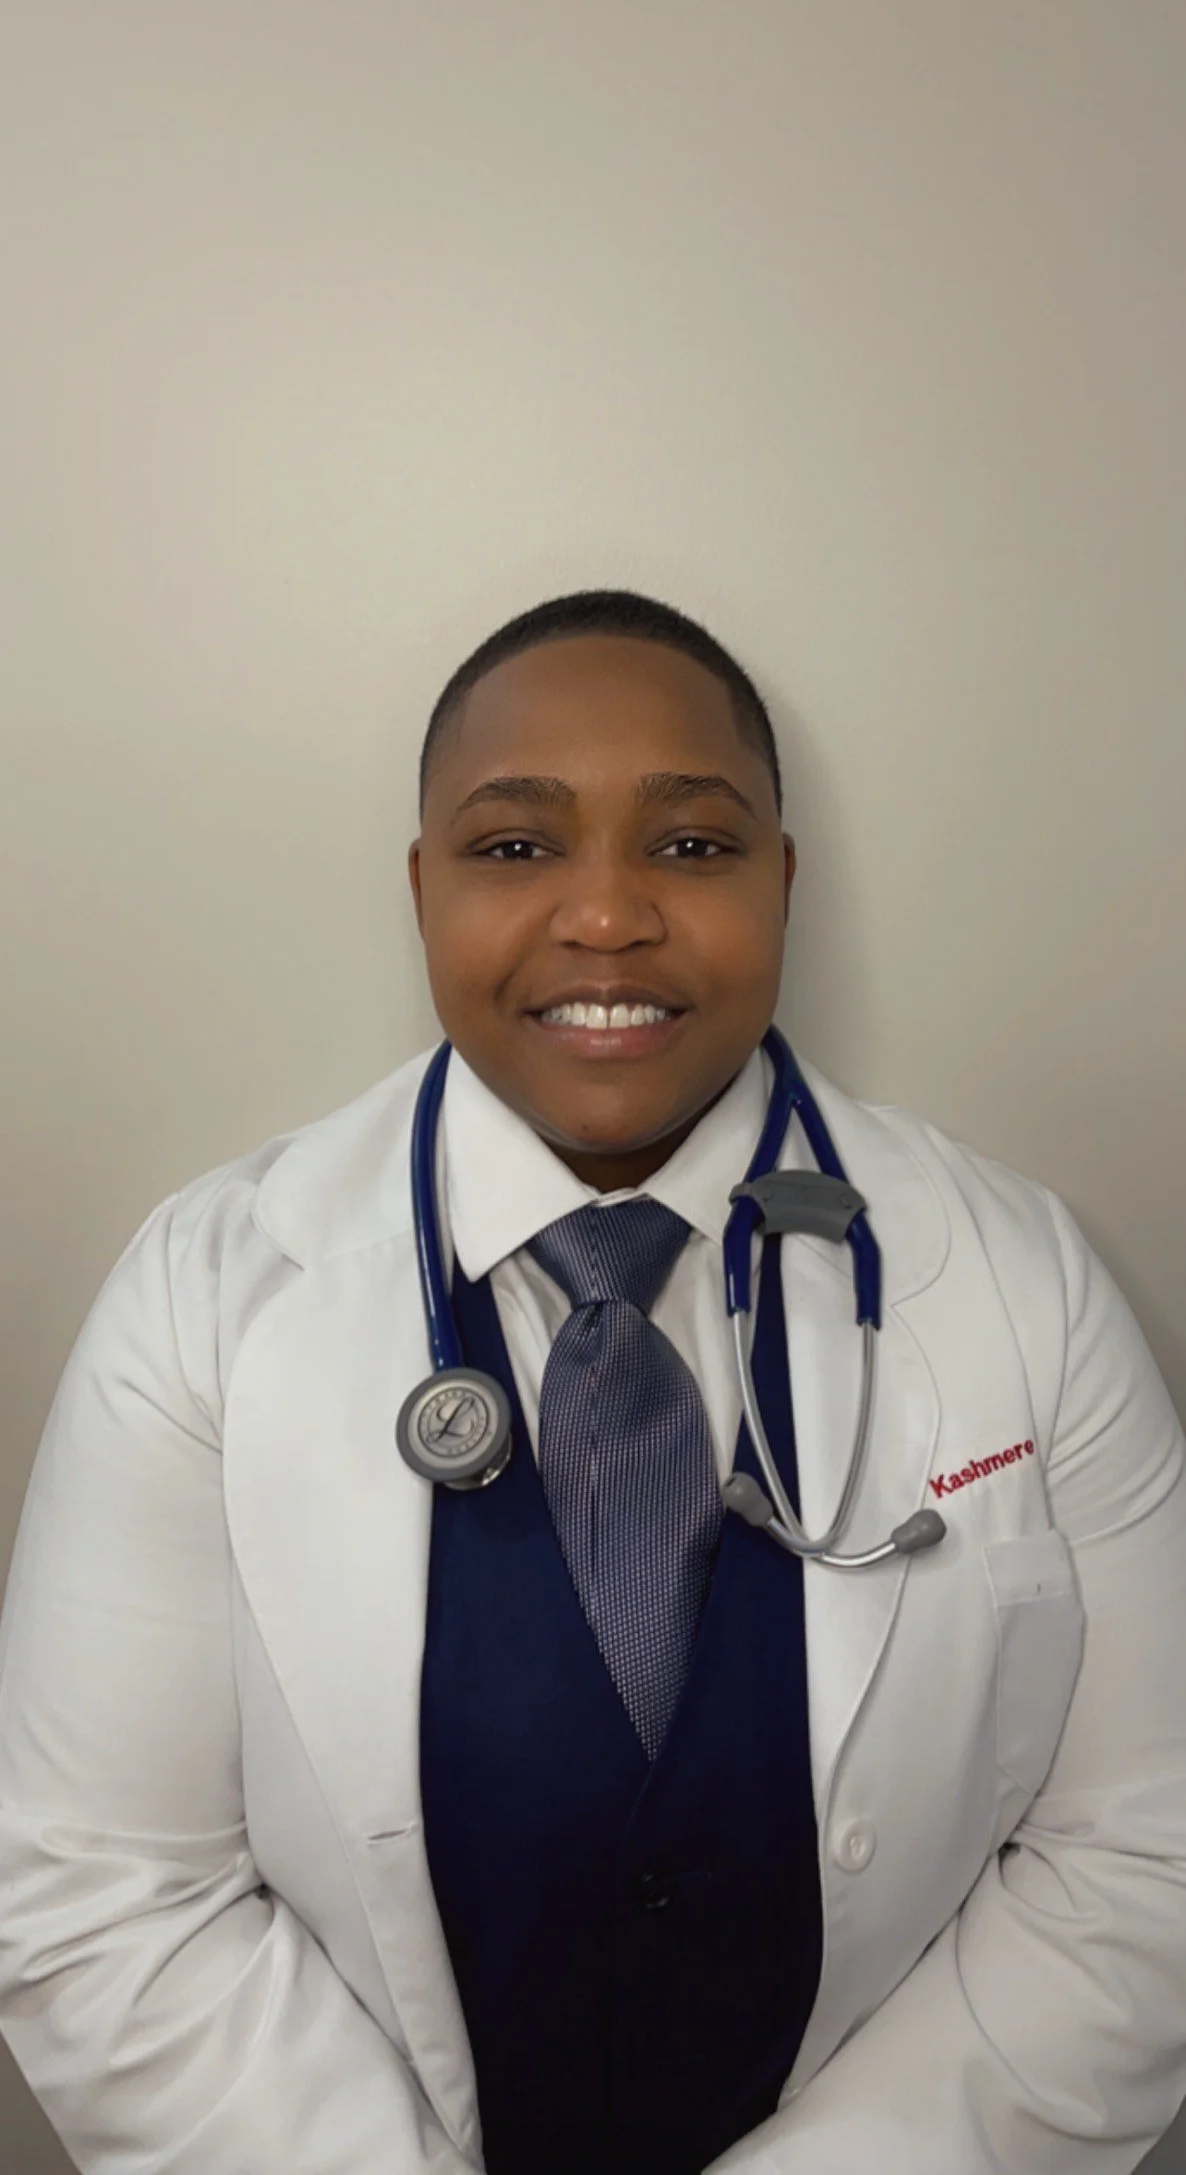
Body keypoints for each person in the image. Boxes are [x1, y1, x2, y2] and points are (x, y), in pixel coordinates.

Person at [1, 588, 1184, 2175]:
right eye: (514, 848)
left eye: (692, 845)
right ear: (422, 892)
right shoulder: (206, 1296)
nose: (609, 916)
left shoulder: (1016, 1276)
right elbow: (95, 1889)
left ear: (784, 882)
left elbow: (1145, 1851)